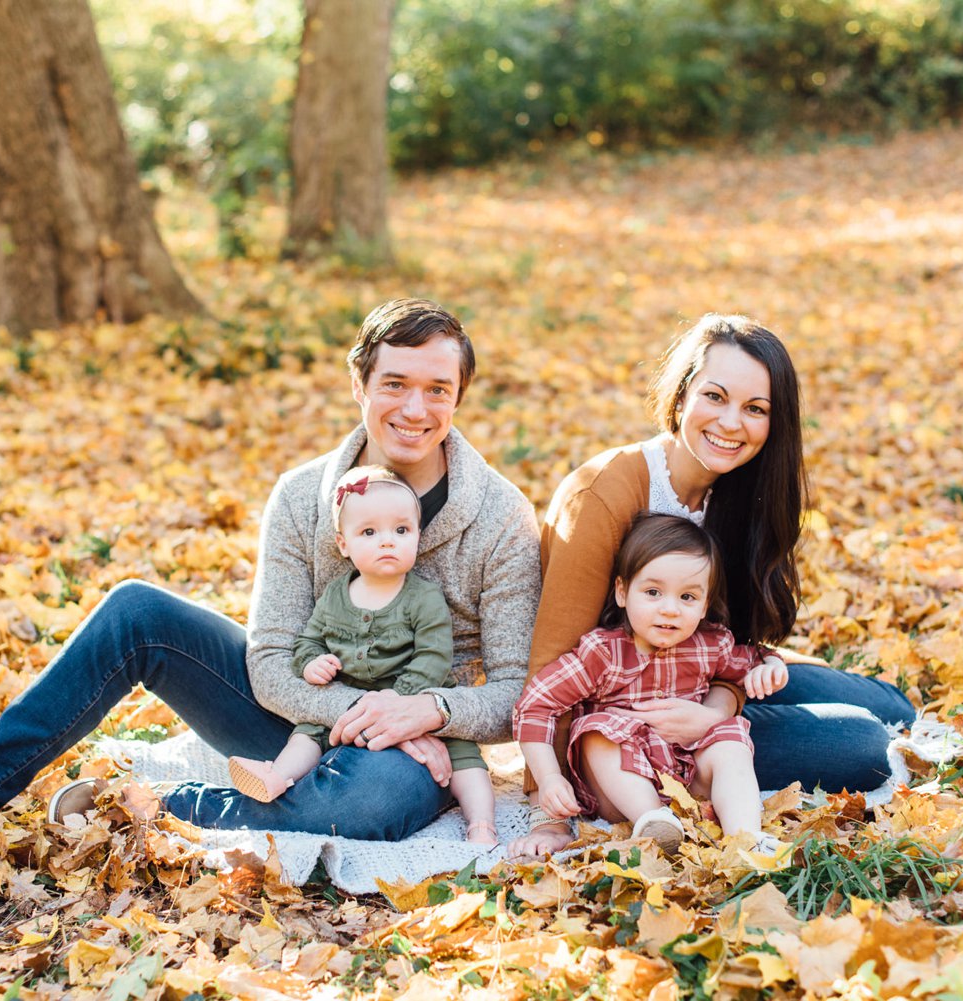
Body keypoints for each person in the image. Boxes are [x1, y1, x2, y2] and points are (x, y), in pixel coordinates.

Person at [0, 298, 541, 858]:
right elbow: (267, 656)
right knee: (136, 610)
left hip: (423, 749)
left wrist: (427, 713)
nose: (415, 409)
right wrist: (354, 708)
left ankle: (145, 804)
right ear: (360, 384)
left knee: (367, 804)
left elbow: (515, 690)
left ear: (459, 396)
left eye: (438, 390)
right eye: (396, 383)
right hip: (305, 712)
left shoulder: (502, 518)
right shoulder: (301, 495)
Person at [508, 314, 916, 858]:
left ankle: (738, 743)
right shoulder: (605, 493)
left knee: (896, 710)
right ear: (680, 397)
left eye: (755, 409)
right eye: (714, 397)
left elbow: (735, 645)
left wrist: (718, 711)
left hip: (706, 678)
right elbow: (552, 662)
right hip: (628, 716)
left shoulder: (744, 493)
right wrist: (551, 812)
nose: (731, 423)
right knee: (861, 743)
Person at [227, 465, 497, 845]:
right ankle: (276, 777)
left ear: (418, 536)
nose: (387, 541)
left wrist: (398, 701)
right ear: (343, 544)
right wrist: (312, 664)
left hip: (417, 705)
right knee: (306, 735)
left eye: (401, 531)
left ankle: (481, 823)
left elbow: (433, 658)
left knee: (465, 760)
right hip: (344, 700)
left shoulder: (423, 597)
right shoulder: (336, 595)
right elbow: (308, 641)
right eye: (369, 532)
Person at [515, 513, 789, 851]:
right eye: (653, 592)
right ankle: (654, 822)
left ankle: (747, 838)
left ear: (705, 605)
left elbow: (753, 659)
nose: (670, 609)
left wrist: (770, 666)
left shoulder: (711, 645)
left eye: (687, 597)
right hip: (619, 790)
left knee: (731, 738)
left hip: (687, 776)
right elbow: (535, 705)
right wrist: (548, 778)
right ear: (622, 592)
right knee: (598, 731)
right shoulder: (603, 654)